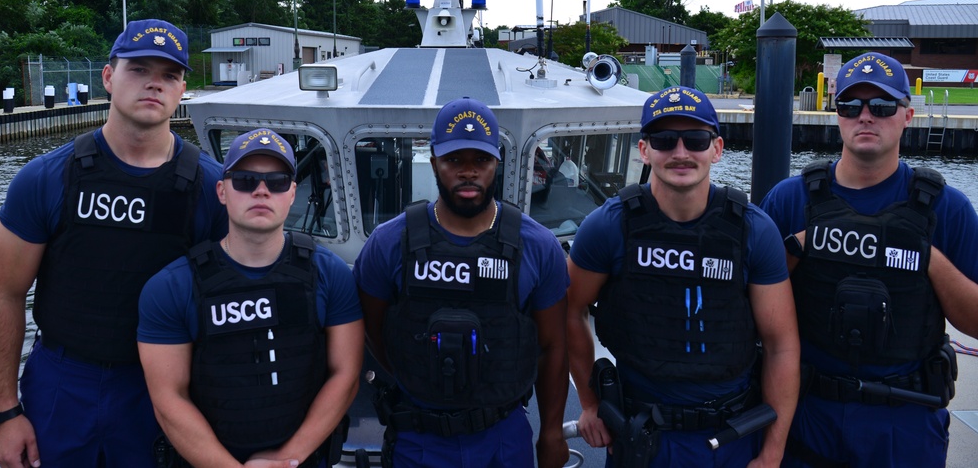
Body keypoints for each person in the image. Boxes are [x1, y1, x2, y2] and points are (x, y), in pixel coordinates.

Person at [0, 19, 229, 468]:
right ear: (109, 77)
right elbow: (3, 294)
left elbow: (237, 298)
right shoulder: (45, 179)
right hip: (62, 382)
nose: (154, 83)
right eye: (139, 69)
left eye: (170, 75)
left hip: (160, 387)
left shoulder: (212, 190)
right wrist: (5, 411)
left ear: (182, 90)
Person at [759, 52, 978, 468]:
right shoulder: (790, 200)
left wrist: (925, 257)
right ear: (836, 113)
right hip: (807, 411)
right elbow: (748, 304)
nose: (865, 116)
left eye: (881, 106)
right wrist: (799, 248)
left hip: (905, 420)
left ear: (907, 116)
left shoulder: (946, 209)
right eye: (850, 105)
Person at [567, 86, 800, 467]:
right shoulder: (608, 227)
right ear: (644, 150)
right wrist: (590, 403)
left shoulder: (753, 231)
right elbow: (570, 309)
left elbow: (782, 346)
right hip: (639, 436)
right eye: (663, 140)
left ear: (717, 148)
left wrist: (772, 453)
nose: (680, 152)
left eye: (695, 139)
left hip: (730, 437)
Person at [353, 97, 571, 468]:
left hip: (503, 437)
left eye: (481, 161)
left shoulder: (537, 247)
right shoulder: (389, 243)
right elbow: (374, 331)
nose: (468, 172)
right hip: (417, 436)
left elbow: (552, 346)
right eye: (455, 160)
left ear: (496, 162)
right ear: (434, 159)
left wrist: (550, 432)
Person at [138, 128, 363, 468]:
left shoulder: (330, 274)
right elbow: (169, 398)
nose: (261, 190)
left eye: (276, 181)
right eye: (244, 180)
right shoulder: (171, 288)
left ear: (292, 193)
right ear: (222, 191)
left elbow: (345, 375)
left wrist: (288, 459)